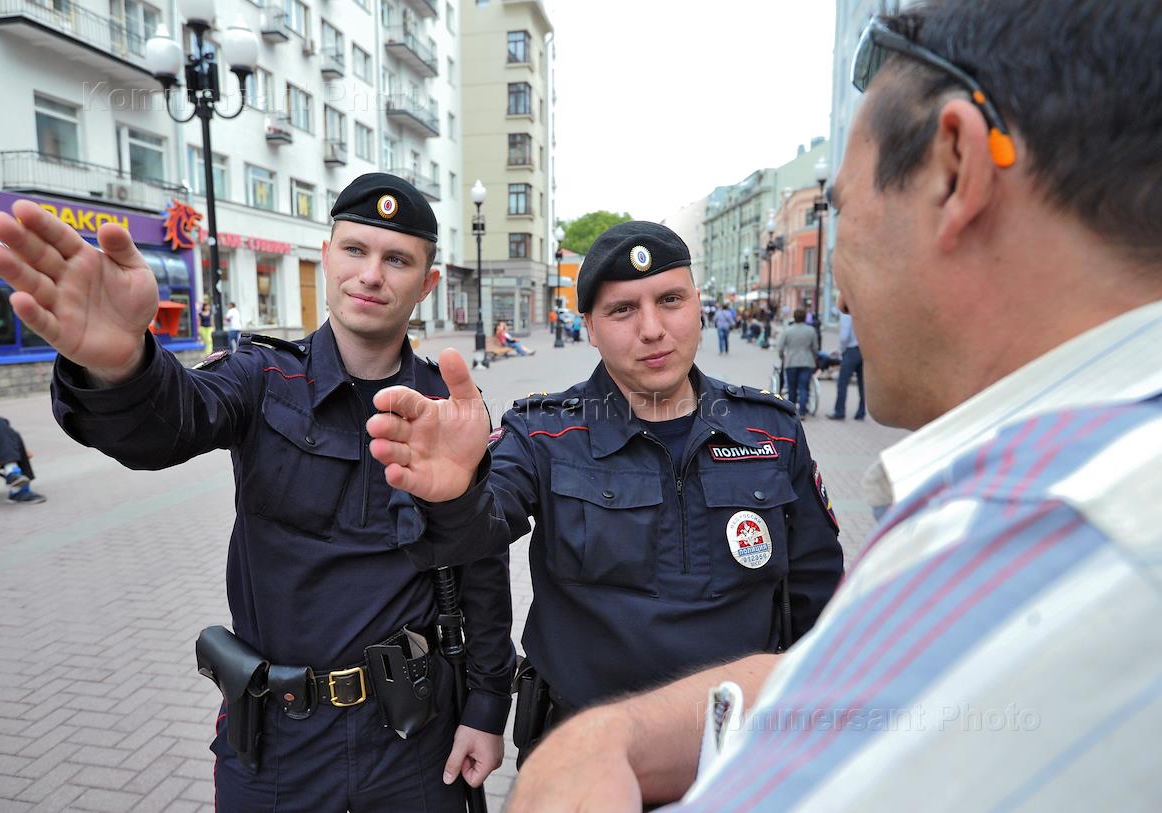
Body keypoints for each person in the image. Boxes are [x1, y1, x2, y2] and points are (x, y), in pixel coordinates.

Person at [501, 1, 1162, 809]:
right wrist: (614, 735)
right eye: (622, 310)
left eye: (840, 210)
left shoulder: (1027, 535)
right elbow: (839, 678)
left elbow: (818, 619)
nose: (838, 271)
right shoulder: (542, 428)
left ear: (955, 168)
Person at [0, 173, 516, 811]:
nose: (371, 275)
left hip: (411, 737)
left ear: (427, 283)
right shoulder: (262, 376)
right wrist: (119, 365)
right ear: (326, 257)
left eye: (397, 259)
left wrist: (486, 705)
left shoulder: (447, 405)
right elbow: (165, 427)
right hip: (276, 742)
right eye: (355, 250)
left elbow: (481, 562)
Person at [366, 221, 844, 764]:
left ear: (698, 306)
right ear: (589, 327)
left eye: (670, 300)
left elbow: (818, 595)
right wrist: (454, 493)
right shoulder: (544, 433)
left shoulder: (771, 431)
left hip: (740, 754)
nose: (652, 329)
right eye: (622, 310)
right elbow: (475, 534)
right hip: (583, 752)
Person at [774, 309, 819, 418]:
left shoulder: (788, 330)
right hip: (807, 362)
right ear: (805, 317)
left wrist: (782, 357)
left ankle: (792, 411)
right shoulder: (811, 330)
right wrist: (814, 358)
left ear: (794, 318)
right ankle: (802, 412)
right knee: (803, 387)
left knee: (792, 387)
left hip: (791, 362)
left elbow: (780, 347)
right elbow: (815, 348)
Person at [828, 310, 865, 420]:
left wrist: (841, 350)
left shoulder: (846, 314)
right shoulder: (861, 312)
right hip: (863, 350)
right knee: (862, 384)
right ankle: (861, 411)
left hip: (851, 351)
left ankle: (839, 411)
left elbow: (844, 337)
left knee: (842, 382)